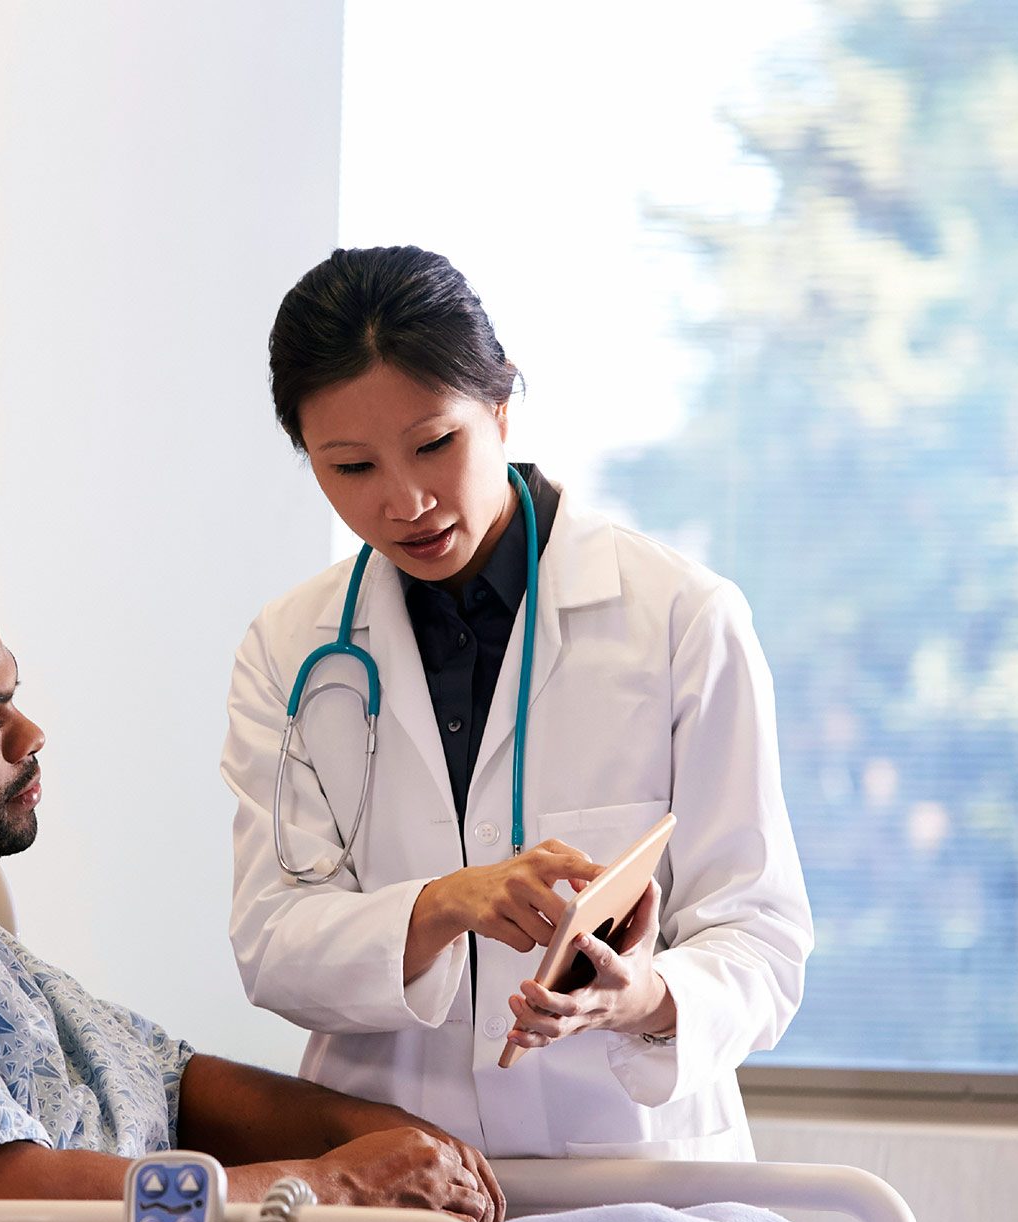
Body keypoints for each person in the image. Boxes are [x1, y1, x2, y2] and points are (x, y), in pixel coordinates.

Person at [0, 531, 507, 1222]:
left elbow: (167, 1082)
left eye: (15, 698)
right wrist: (340, 1184)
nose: (30, 735)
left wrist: (383, 1132)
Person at [222, 245, 811, 1161]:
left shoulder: (680, 620)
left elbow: (761, 935)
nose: (405, 501)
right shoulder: (290, 649)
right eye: (351, 468)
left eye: (433, 445)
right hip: (400, 1178)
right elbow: (272, 942)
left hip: (630, 1175)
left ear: (500, 404)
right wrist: (444, 904)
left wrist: (645, 998)